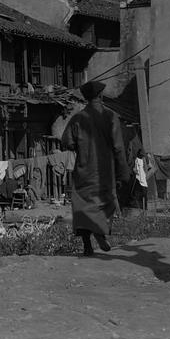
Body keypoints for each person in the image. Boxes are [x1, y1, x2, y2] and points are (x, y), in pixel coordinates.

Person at [61, 80, 130, 256]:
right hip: (105, 171)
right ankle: (99, 230)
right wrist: (123, 172)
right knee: (105, 202)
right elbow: (118, 147)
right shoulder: (111, 117)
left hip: (84, 170)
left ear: (85, 98)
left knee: (82, 206)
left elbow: (67, 142)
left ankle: (87, 245)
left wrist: (79, 145)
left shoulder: (77, 118)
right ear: (100, 95)